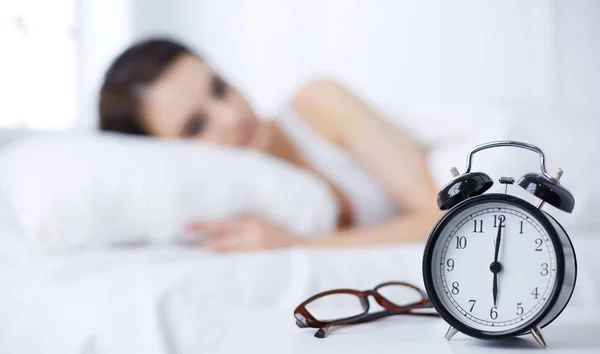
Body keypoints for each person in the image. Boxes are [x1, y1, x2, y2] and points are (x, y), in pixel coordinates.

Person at [99, 38, 442, 252]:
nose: (231, 116)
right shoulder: (222, 209)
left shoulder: (318, 103)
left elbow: (444, 218)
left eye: (219, 88)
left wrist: (300, 247)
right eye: (196, 125)